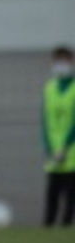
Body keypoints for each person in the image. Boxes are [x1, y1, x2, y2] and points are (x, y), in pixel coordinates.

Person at [43, 46, 75, 227]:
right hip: (54, 151)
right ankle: (47, 226)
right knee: (52, 193)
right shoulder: (49, 88)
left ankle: (66, 226)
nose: (61, 65)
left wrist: (66, 146)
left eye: (65, 61)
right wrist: (48, 147)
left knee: (70, 194)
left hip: (72, 151)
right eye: (58, 61)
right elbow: (45, 120)